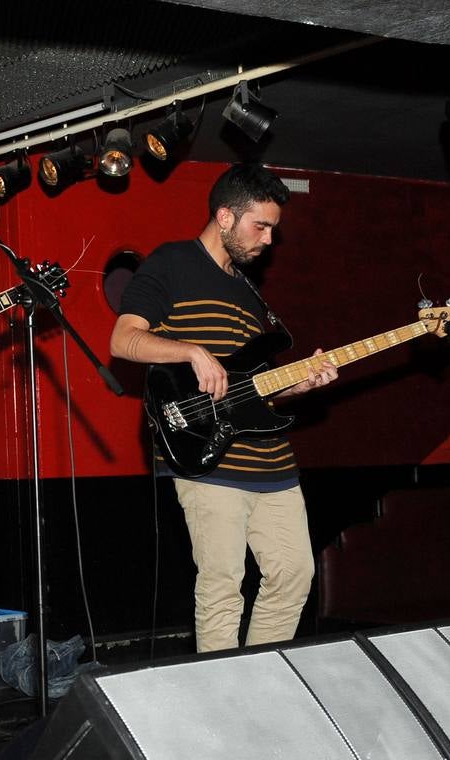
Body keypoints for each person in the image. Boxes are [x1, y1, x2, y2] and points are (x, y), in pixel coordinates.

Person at [110, 162, 338, 653]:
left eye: (273, 229)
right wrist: (191, 351)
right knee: (222, 584)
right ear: (225, 216)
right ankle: (222, 686)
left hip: (272, 461)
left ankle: (259, 676)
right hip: (206, 455)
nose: (269, 239)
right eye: (261, 226)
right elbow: (123, 340)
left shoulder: (250, 293)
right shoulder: (172, 262)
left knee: (295, 574)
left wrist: (300, 384)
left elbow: (252, 390)